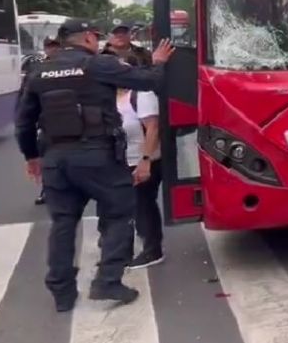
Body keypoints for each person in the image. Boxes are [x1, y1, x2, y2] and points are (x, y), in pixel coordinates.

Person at [16, 18, 173, 312]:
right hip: (98, 157)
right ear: (88, 37)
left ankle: (61, 292)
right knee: (118, 214)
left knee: (62, 223)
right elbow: (150, 82)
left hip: (56, 159)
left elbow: (24, 121)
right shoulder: (98, 65)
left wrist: (31, 157)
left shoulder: (39, 71)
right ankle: (108, 282)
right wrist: (159, 62)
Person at [115, 54, 164, 269]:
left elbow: (153, 127)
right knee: (129, 206)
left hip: (143, 159)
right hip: (122, 160)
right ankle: (124, 251)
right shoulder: (113, 96)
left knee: (143, 204)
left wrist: (145, 161)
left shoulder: (141, 94)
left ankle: (153, 249)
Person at [21, 36, 60, 206]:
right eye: (49, 46)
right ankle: (47, 190)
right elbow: (26, 99)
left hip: (72, 119)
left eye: (55, 46)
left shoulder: (71, 65)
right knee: (46, 157)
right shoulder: (36, 68)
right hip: (46, 121)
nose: (52, 49)